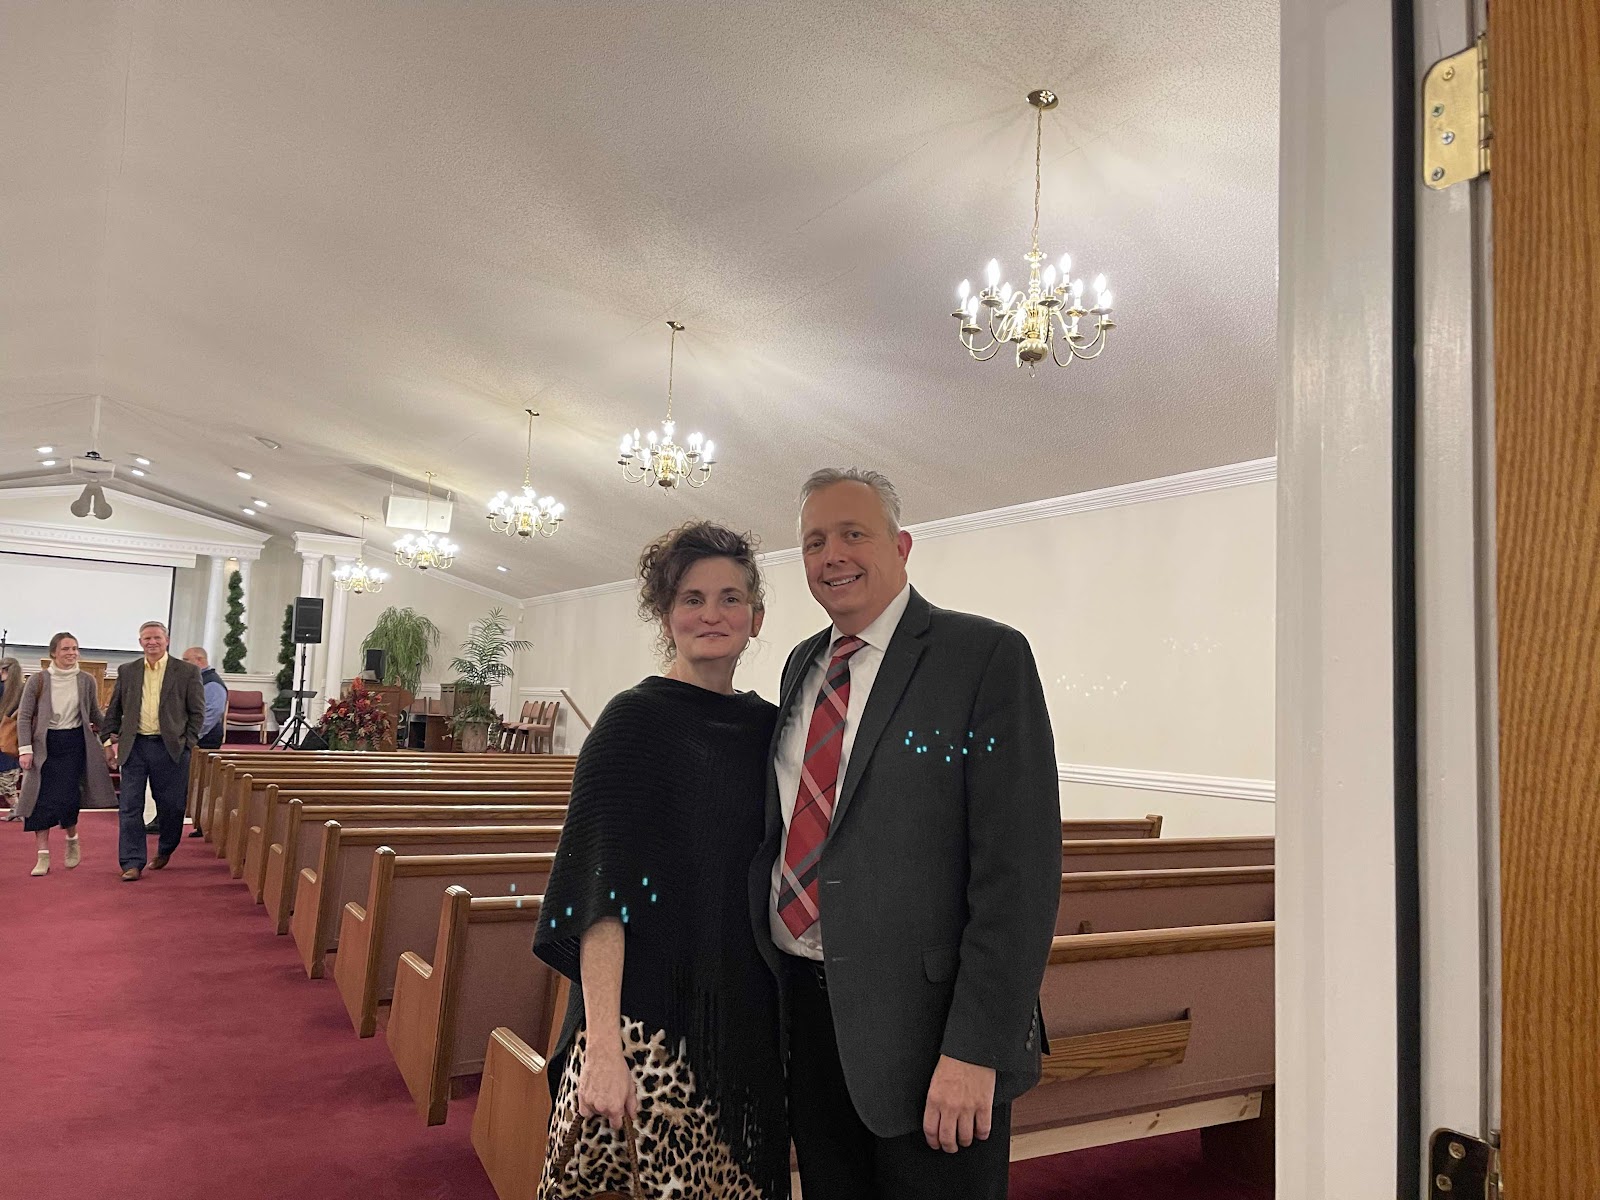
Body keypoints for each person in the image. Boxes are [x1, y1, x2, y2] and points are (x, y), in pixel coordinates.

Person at [752, 468, 1060, 1200]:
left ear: (901, 545)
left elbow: (1018, 873)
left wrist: (976, 1049)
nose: (832, 555)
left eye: (852, 534)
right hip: (810, 1015)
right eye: (814, 542)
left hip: (930, 1037)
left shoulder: (983, 657)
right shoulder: (802, 664)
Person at [533, 522, 788, 1200]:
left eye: (731, 598)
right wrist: (604, 1050)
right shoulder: (632, 722)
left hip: (744, 1020)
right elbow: (600, 899)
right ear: (665, 615)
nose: (712, 614)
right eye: (692, 599)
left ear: (757, 617)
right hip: (646, 1030)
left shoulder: (770, 729)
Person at [102, 621, 205, 882]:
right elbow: (115, 708)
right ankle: (131, 862)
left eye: (157, 637)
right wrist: (107, 741)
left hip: (170, 748)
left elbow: (197, 712)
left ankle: (166, 847)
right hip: (134, 746)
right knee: (129, 806)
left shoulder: (187, 671)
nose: (152, 642)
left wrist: (187, 743)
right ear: (140, 642)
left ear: (166, 640)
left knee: (171, 806)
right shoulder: (128, 670)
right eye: (147, 638)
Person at [15, 634, 117, 875]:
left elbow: (94, 713)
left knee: (69, 798)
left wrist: (114, 735)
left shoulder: (86, 680)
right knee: (40, 801)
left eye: (75, 648)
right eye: (66, 649)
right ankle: (42, 856)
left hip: (74, 744)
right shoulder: (38, 680)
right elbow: (24, 716)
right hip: (44, 745)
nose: (72, 653)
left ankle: (72, 839)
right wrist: (25, 749)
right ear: (54, 653)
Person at [1, 657, 24, 820]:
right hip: (12, 738)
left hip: (2, 735)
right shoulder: (21, 690)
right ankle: (17, 809)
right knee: (7, 777)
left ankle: (18, 810)